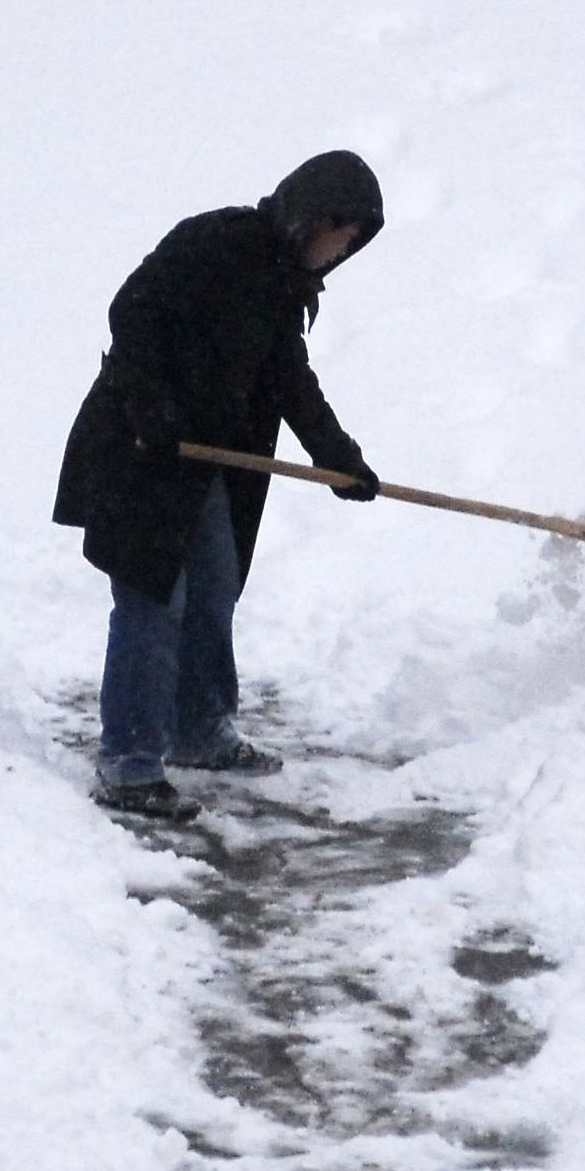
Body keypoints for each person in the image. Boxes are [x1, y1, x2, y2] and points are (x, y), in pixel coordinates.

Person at [53, 149, 385, 820]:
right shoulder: (216, 241)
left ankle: (199, 731)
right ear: (310, 214)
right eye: (338, 235)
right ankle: (130, 762)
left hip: (201, 465)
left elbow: (291, 383)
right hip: (140, 449)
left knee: (212, 586)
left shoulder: (283, 286)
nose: (337, 253)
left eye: (349, 246)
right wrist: (154, 412)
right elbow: (132, 311)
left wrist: (339, 462)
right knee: (154, 597)